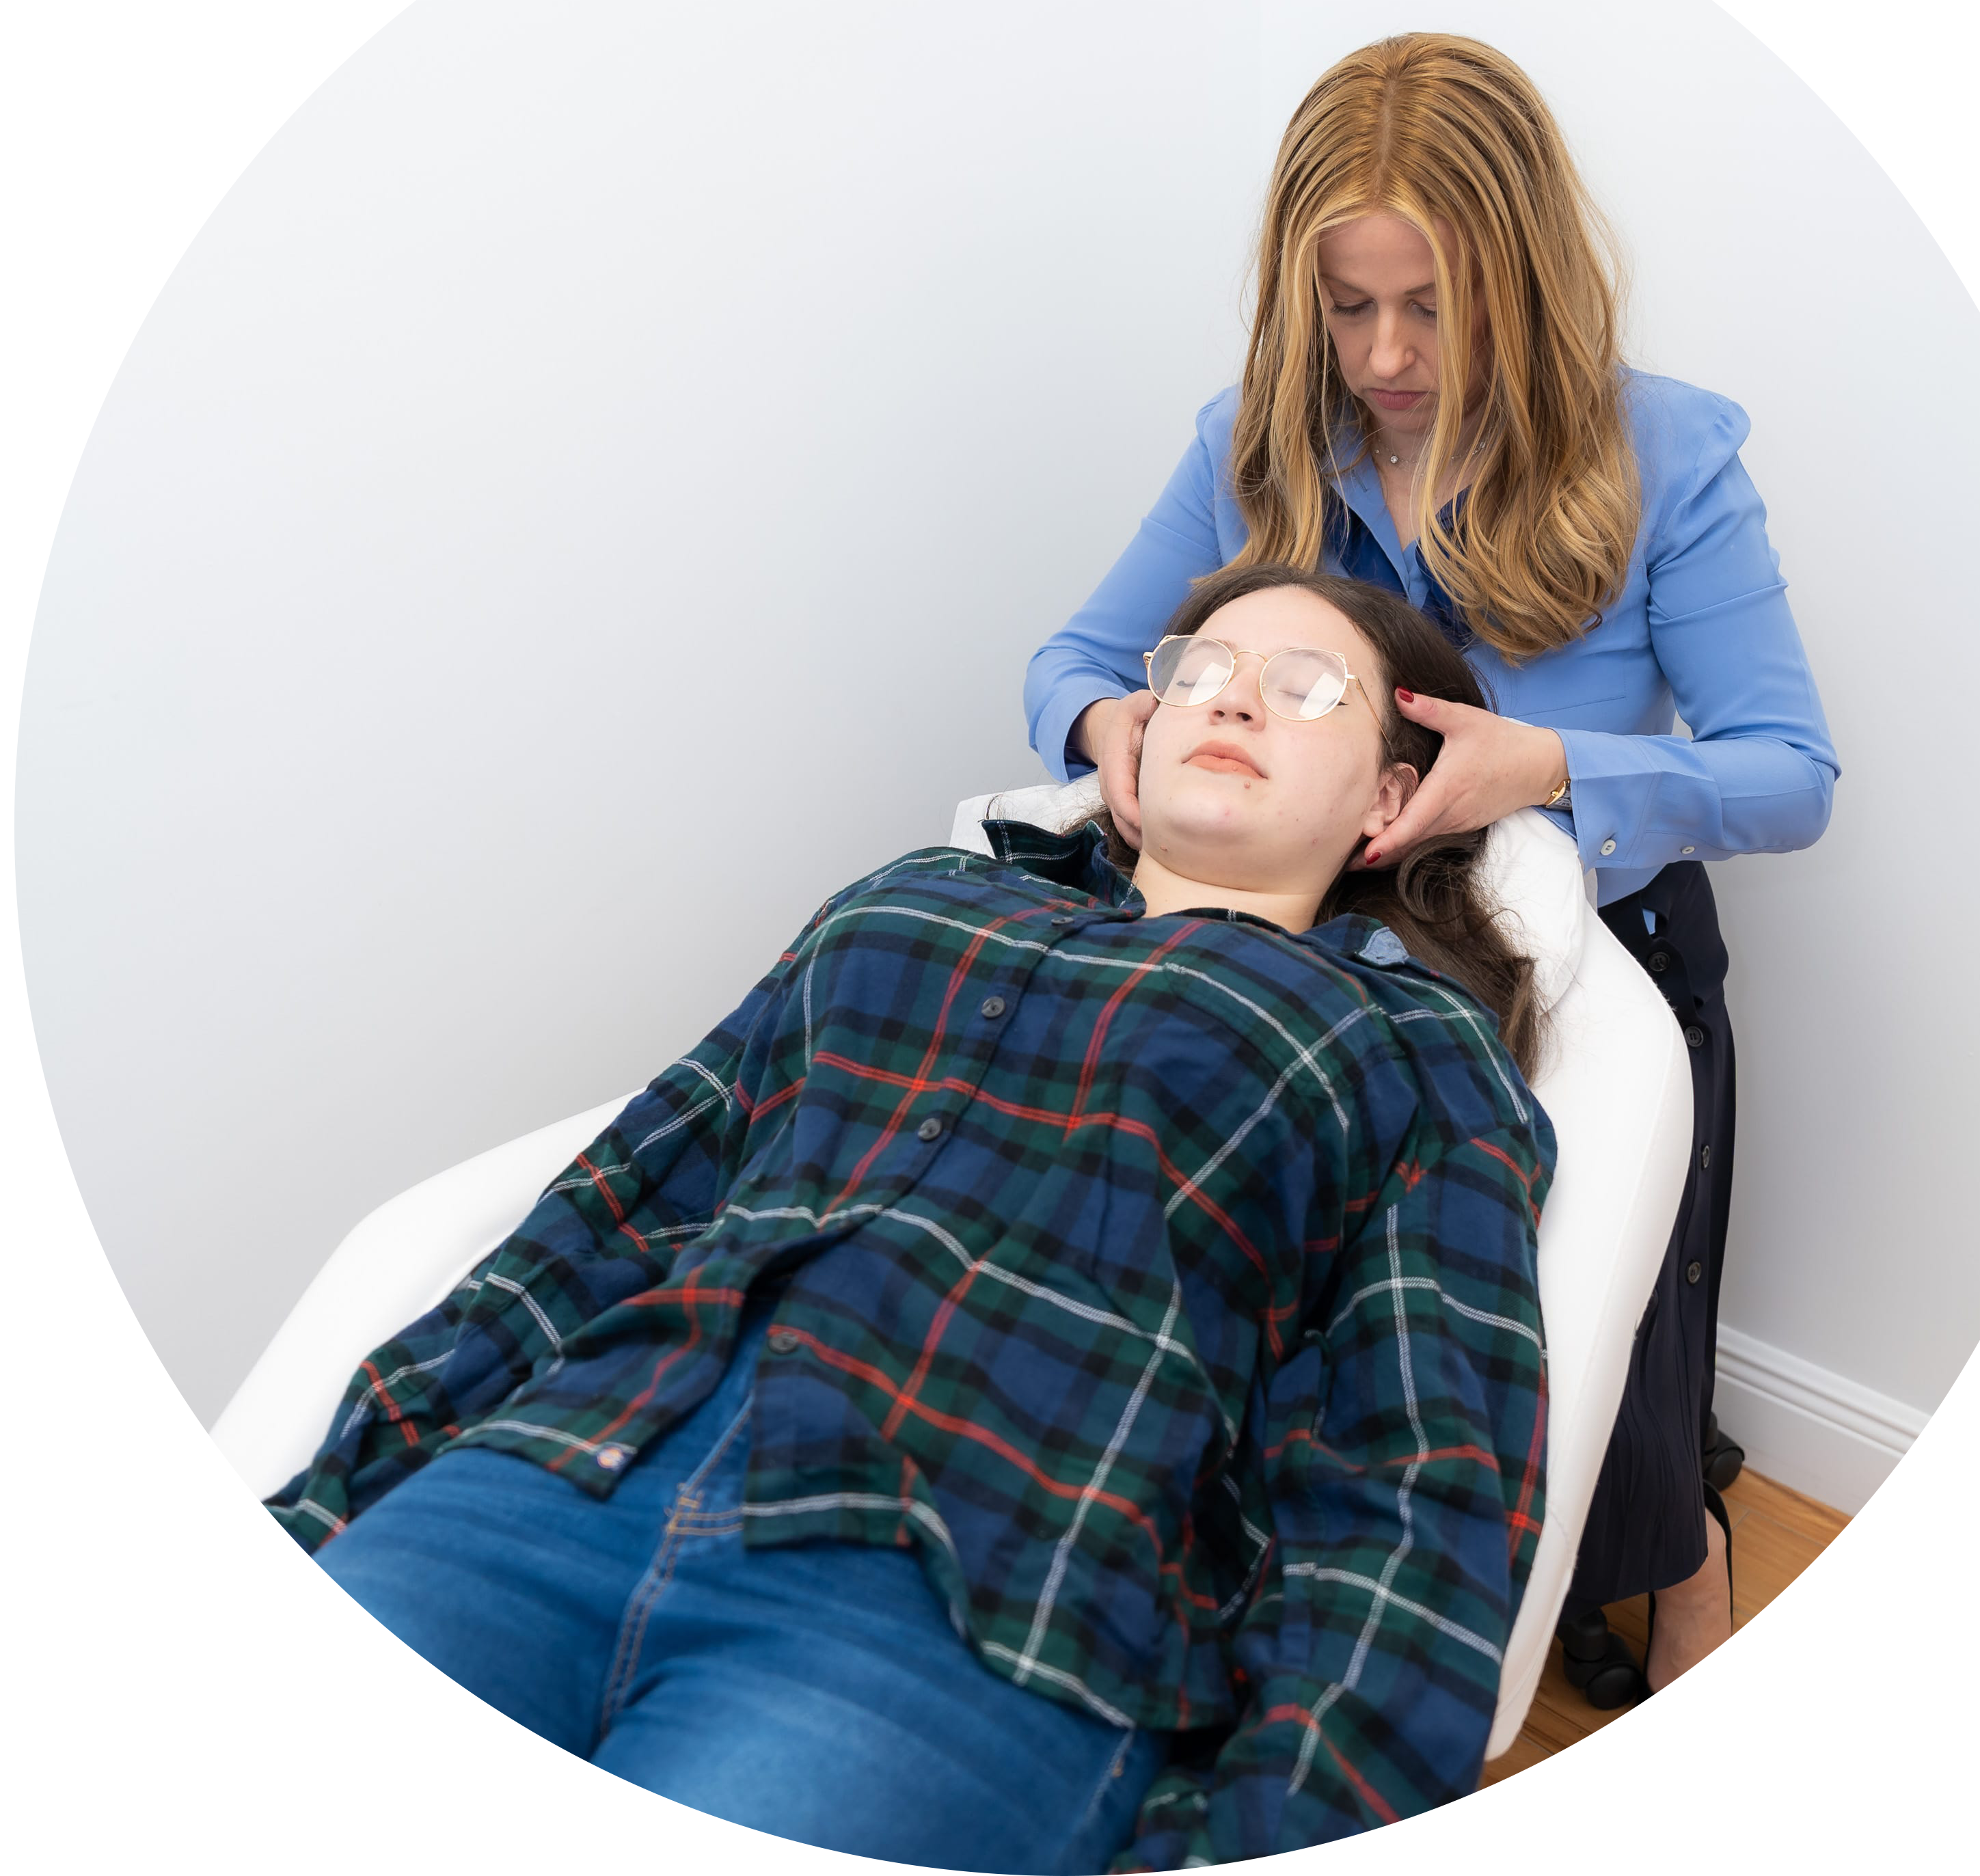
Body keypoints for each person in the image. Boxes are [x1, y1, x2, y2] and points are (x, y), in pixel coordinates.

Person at [79, 566, 1556, 1876]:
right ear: (1137, 734)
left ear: (1384, 800)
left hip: (968, 1608)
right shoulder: (911, 903)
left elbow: (1420, 1486)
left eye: (1305, 689)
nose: (1232, 697)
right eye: (1198, 671)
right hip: (546, 1493)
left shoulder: (1400, 1050)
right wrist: (308, 1523)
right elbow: (599, 1221)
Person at [1026, 33, 1839, 1790]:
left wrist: (1543, 770)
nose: (1382, 361)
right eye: (1344, 311)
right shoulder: (1261, 440)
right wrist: (1125, 732)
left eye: (1428, 309)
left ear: (1521, 279)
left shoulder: (1665, 456)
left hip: (1583, 949)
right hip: (1328, 949)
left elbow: (1788, 773)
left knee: (1596, 1327)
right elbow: (1076, 662)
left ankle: (1681, 1568)